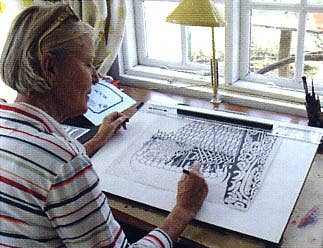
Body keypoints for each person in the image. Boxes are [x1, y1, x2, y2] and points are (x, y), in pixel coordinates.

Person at [0, 3, 208, 247]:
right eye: (88, 64)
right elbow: (56, 169)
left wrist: (96, 142)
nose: (96, 77)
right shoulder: (64, 162)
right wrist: (184, 209)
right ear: (50, 67)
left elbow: (41, 171)